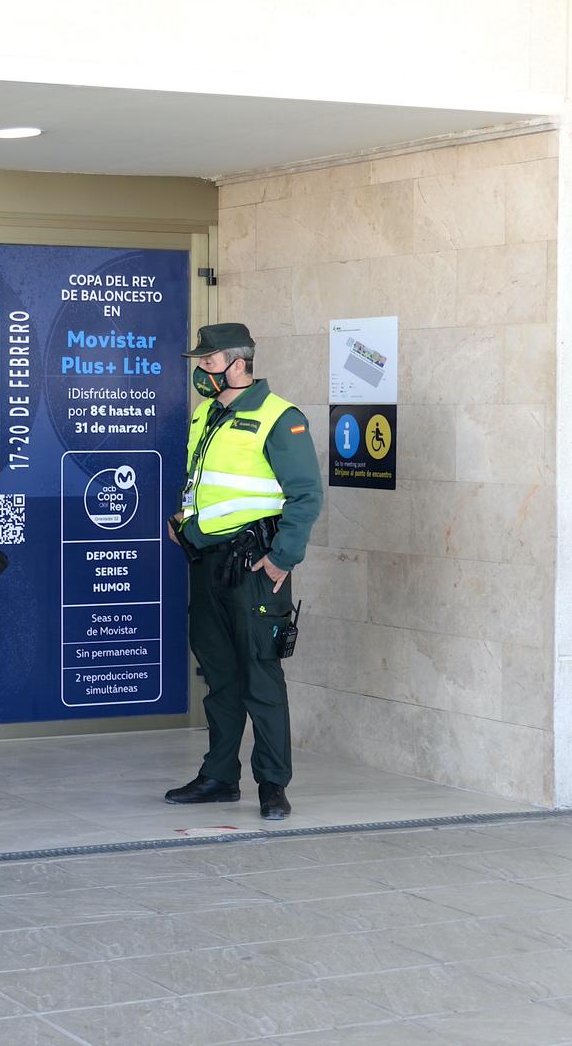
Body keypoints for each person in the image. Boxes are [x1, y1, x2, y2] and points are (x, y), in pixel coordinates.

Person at [163, 323, 322, 822]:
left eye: (208, 363)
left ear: (238, 363)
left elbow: (306, 495)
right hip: (206, 562)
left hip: (256, 567)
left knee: (262, 677)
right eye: (200, 363)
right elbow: (202, 480)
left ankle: (272, 785)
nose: (201, 372)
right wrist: (183, 521)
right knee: (219, 675)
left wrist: (282, 558)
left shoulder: (280, 418)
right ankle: (219, 776)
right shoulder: (206, 413)